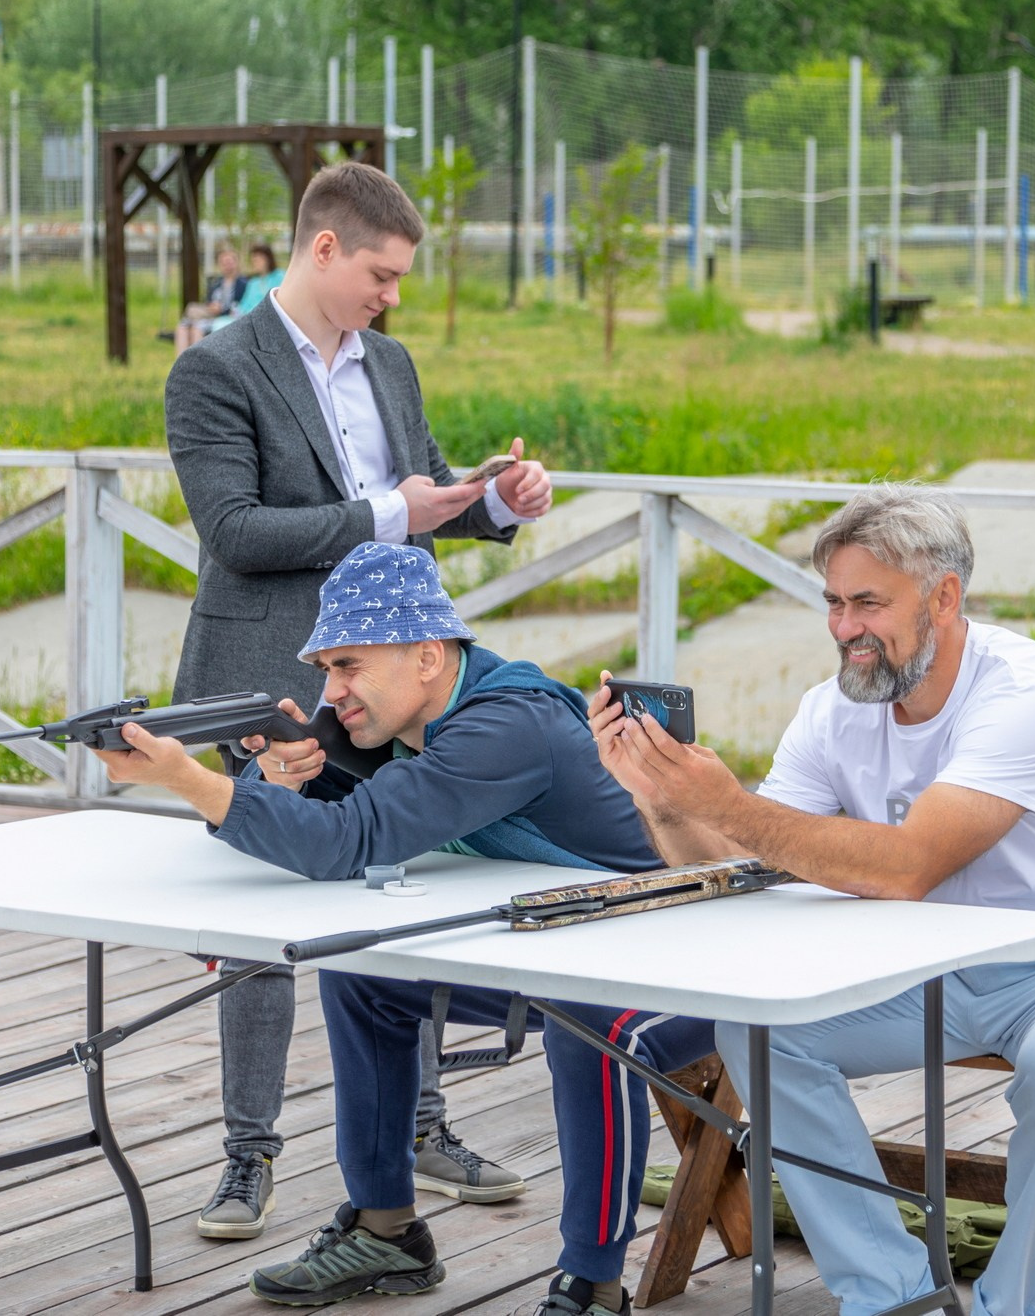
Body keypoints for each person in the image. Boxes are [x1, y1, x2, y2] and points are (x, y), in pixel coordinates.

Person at [590, 485, 1035, 1316]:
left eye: (867, 602)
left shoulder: (1025, 695)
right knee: (762, 1032)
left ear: (944, 596)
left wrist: (728, 803)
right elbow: (744, 863)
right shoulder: (834, 707)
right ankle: (893, 1296)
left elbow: (909, 866)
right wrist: (659, 796)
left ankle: (1016, 1304)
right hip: (932, 963)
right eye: (833, 602)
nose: (844, 627)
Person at [94, 543, 711, 1316]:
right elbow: (334, 819)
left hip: (685, 961)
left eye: (348, 665)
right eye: (325, 669)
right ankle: (385, 1230)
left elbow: (348, 841)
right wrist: (285, 773)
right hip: (561, 941)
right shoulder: (412, 720)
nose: (331, 691)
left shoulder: (508, 724)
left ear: (427, 656)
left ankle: (592, 1283)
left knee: (590, 1023)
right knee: (365, 974)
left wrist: (187, 778)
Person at [165, 161, 556, 1241]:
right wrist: (392, 512)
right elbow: (234, 531)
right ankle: (246, 1155)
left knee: (401, 891)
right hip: (263, 675)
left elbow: (421, 494)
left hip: (390, 687)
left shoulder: (390, 362)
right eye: (381, 275)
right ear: (324, 247)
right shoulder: (213, 369)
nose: (392, 296)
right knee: (256, 917)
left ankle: (421, 1128)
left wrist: (492, 500)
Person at [175, 247, 249, 352]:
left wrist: (222, 310)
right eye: (224, 263)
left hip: (225, 318)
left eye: (229, 262)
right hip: (209, 314)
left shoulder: (243, 284)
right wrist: (211, 306)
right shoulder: (216, 283)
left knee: (196, 329)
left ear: (236, 263)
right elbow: (208, 300)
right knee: (182, 328)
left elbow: (241, 306)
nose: (227, 266)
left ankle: (196, 360)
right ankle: (181, 361)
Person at [208, 243, 282, 333]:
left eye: (258, 260)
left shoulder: (280, 276)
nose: (255, 263)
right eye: (253, 260)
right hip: (249, 319)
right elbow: (244, 304)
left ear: (267, 259)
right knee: (219, 323)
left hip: (269, 319)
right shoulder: (253, 282)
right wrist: (236, 311)